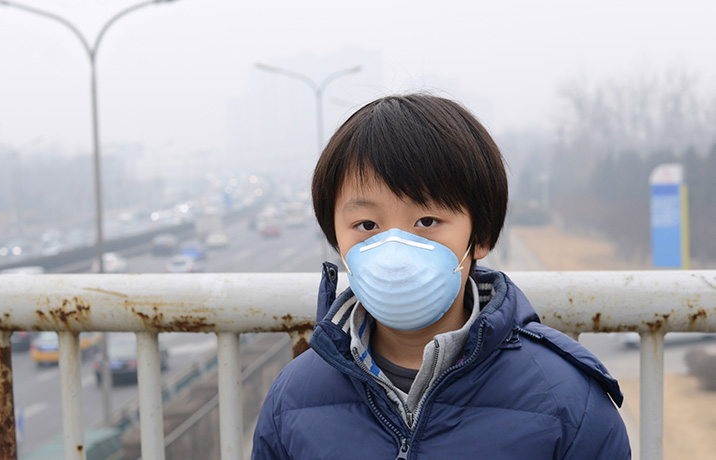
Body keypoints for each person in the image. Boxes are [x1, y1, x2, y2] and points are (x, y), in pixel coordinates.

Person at [252, 93, 630, 459]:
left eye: (427, 221)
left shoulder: (567, 400)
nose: (394, 251)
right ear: (336, 238)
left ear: (479, 235)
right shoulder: (292, 400)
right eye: (367, 224)